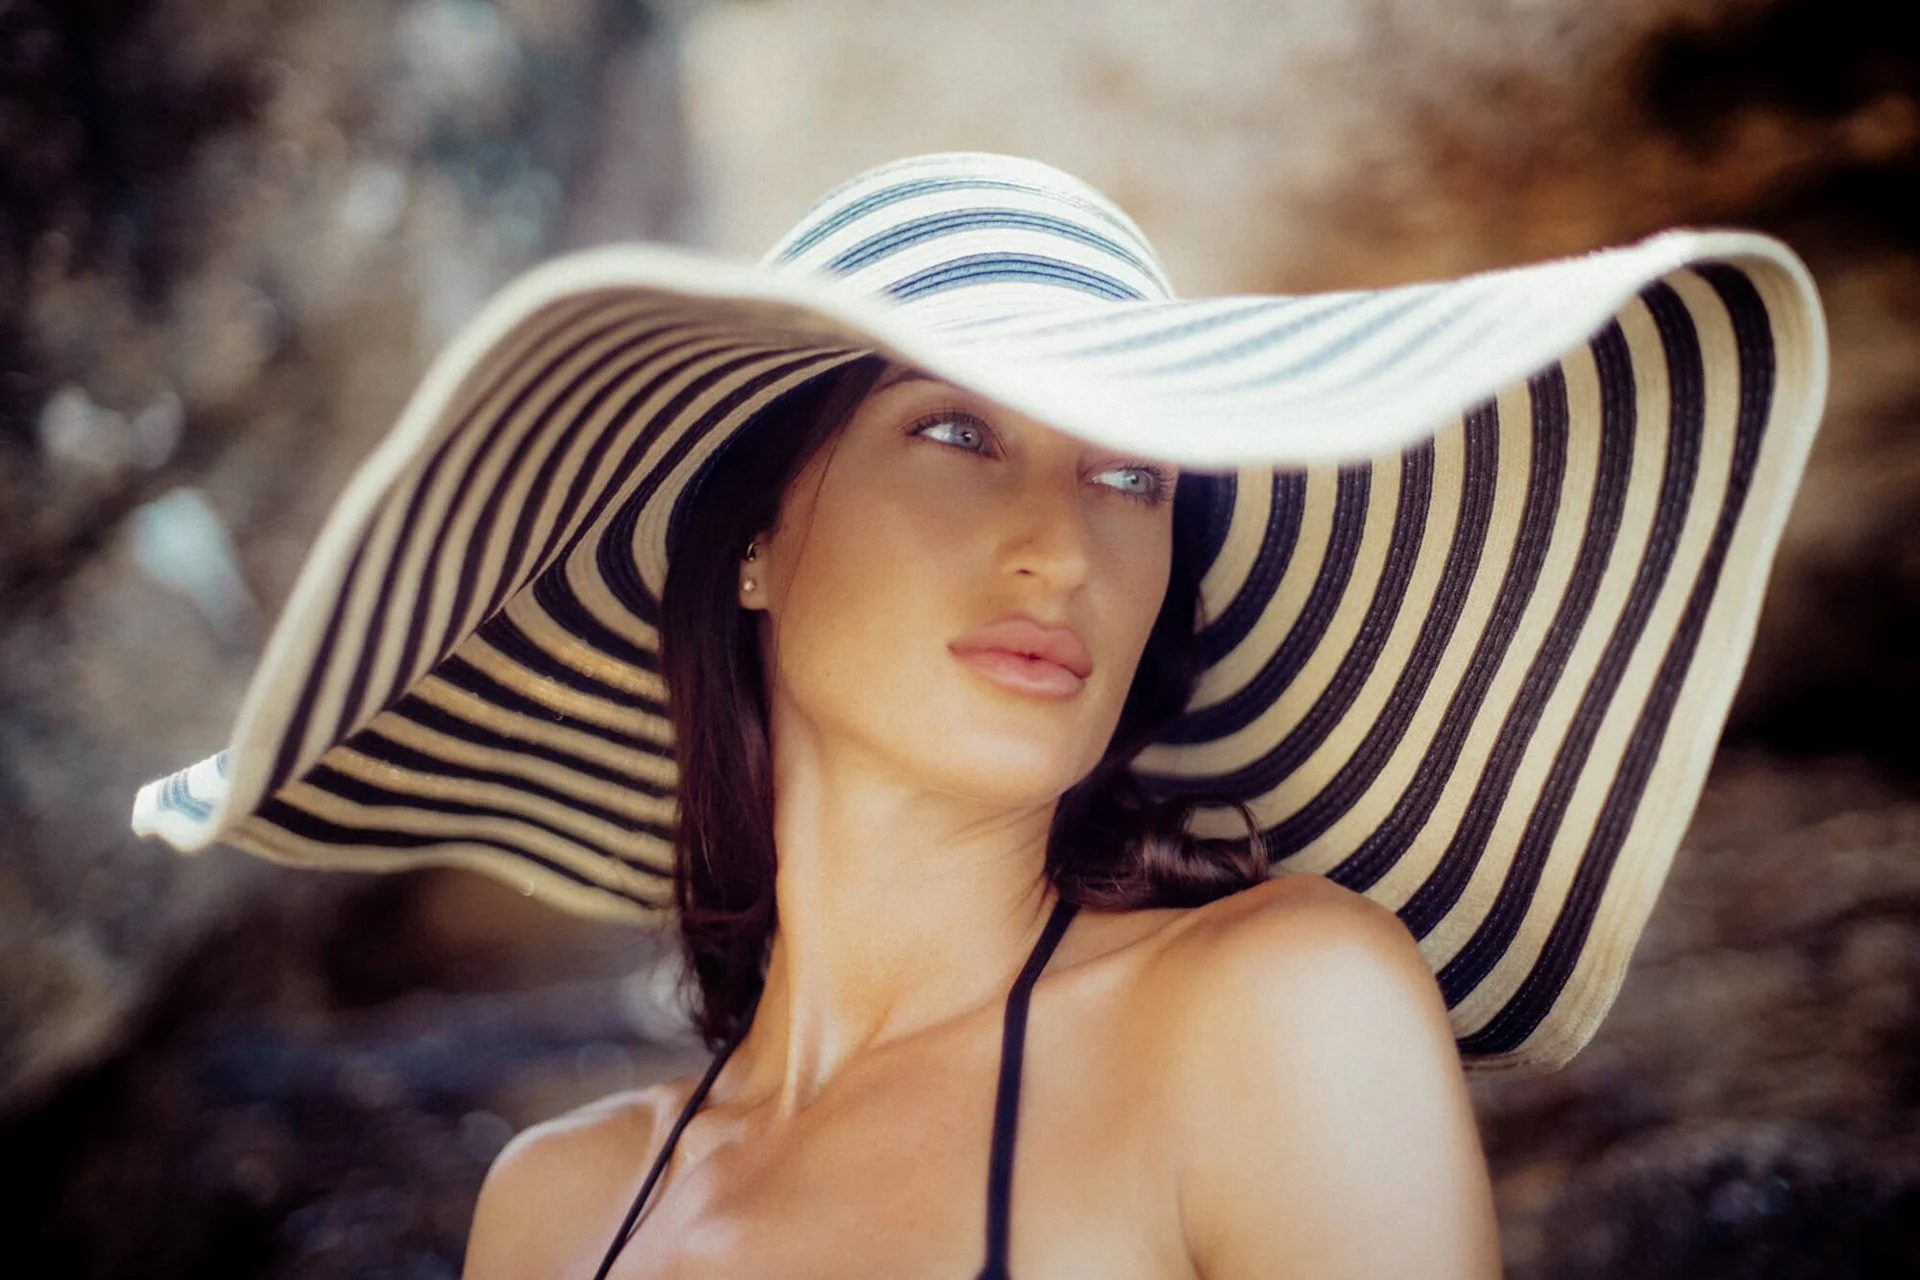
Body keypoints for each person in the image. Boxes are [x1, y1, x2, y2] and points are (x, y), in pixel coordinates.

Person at [132, 152, 1829, 1277]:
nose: (1060, 547)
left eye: (1131, 474)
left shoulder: (1274, 1010)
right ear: (753, 548)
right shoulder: (555, 1210)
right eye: (953, 433)